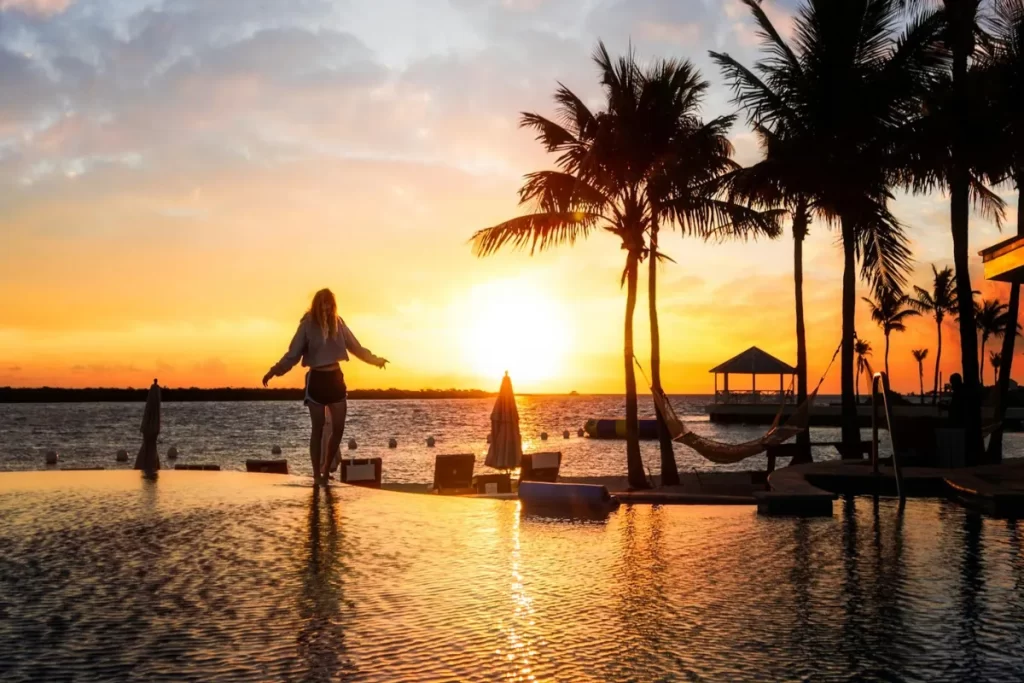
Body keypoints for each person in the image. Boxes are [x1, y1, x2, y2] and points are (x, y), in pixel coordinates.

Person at [263, 289, 387, 483]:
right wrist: (274, 370)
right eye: (322, 303)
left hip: (335, 379)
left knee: (338, 429)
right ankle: (316, 474)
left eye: (329, 303)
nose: (326, 307)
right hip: (316, 380)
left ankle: (326, 466)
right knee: (318, 428)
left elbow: (356, 347)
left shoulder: (338, 323)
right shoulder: (307, 325)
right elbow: (293, 354)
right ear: (316, 304)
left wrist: (375, 360)